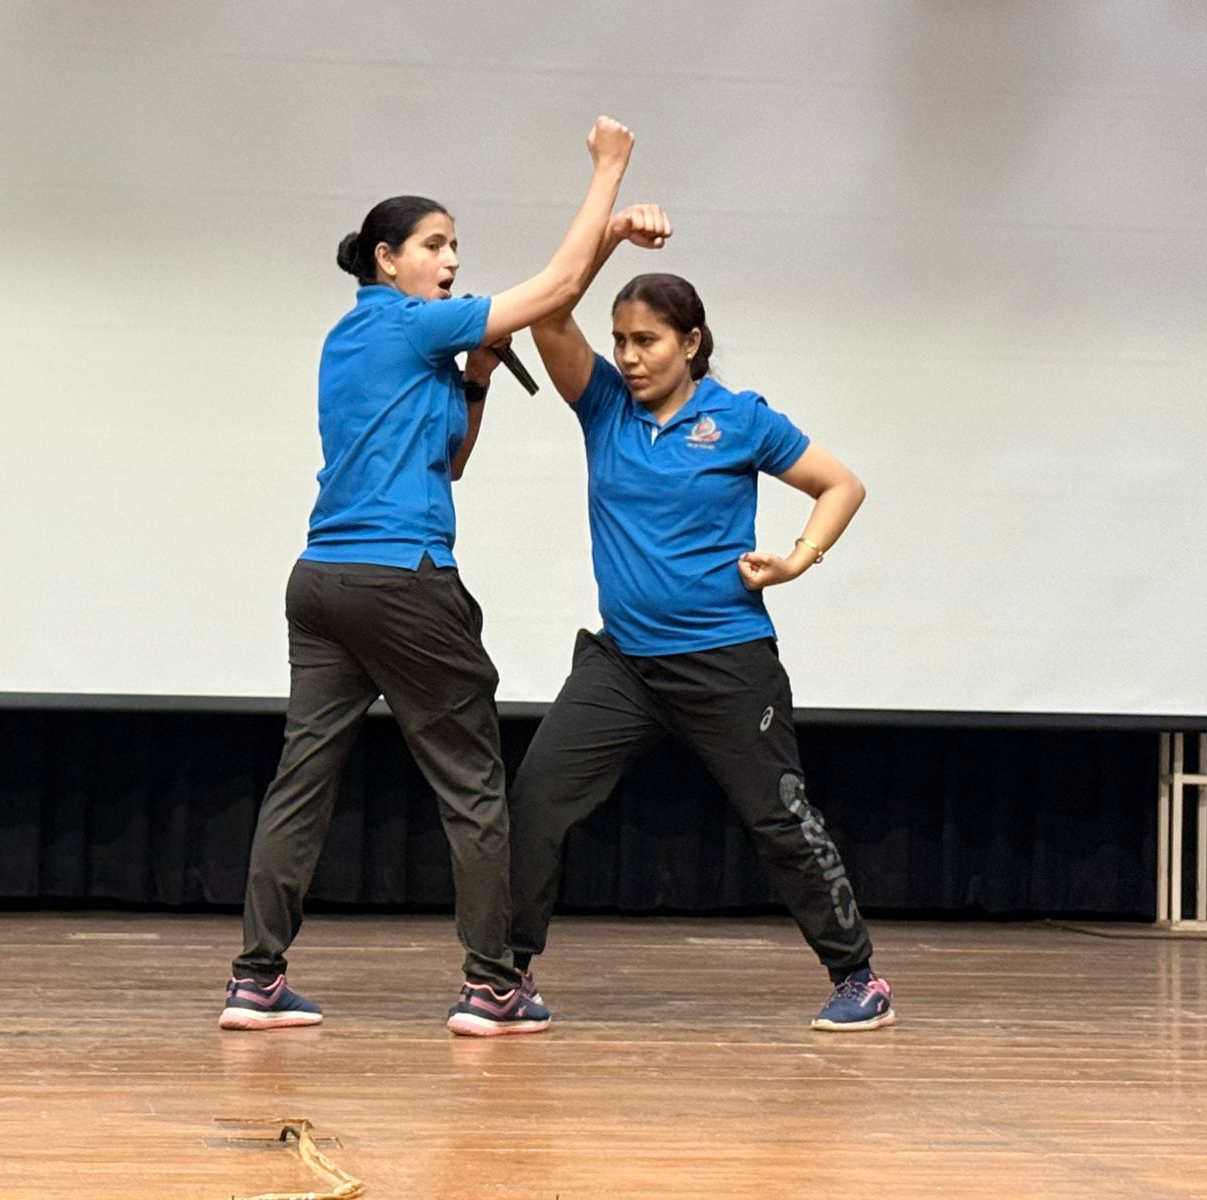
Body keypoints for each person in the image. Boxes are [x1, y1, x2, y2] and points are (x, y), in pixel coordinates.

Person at [219, 117, 637, 1037]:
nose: (451, 262)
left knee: (301, 782)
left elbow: (449, 464)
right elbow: (559, 289)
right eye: (435, 245)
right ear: (387, 259)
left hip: (322, 582)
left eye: (456, 249)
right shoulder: (411, 325)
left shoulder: (357, 341)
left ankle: (256, 980)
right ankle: (493, 986)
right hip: (402, 583)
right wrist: (609, 171)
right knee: (474, 786)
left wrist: (476, 378)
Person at [507, 204, 895, 1031]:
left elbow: (842, 485)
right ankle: (506, 976)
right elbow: (548, 313)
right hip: (623, 665)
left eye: (646, 341)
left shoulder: (740, 418)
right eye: (620, 340)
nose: (628, 356)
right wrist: (609, 235)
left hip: (726, 659)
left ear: (690, 342)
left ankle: (859, 978)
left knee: (779, 817)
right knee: (537, 798)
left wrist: (797, 559)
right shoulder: (604, 406)